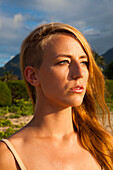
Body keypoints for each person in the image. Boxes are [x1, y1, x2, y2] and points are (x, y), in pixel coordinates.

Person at [0, 23, 113, 170]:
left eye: (84, 62)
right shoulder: (8, 156)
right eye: (64, 62)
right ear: (33, 76)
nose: (80, 72)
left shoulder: (103, 145)